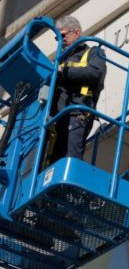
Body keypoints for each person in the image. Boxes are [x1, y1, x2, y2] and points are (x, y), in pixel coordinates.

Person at [47, 16, 107, 165]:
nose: (60, 41)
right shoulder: (60, 60)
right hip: (57, 119)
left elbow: (96, 73)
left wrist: (63, 70)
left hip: (76, 114)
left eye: (63, 36)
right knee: (52, 162)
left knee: (70, 157)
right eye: (57, 38)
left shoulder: (94, 52)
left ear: (77, 33)